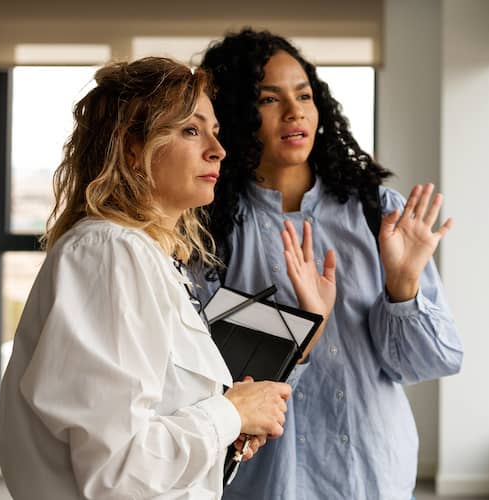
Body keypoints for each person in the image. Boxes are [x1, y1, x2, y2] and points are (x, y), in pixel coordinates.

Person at [0, 57, 295, 499]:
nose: (217, 149)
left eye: (215, 131)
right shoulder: (110, 253)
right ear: (132, 148)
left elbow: (145, 429)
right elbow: (116, 471)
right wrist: (228, 413)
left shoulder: (147, 258)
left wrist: (227, 426)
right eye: (191, 130)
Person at [197, 29, 465, 500]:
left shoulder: (376, 211)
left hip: (375, 475)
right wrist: (303, 334)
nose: (294, 111)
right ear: (238, 113)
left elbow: (430, 361)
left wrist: (403, 287)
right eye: (268, 98)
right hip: (271, 484)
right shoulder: (211, 230)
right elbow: (214, 384)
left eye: (304, 94)